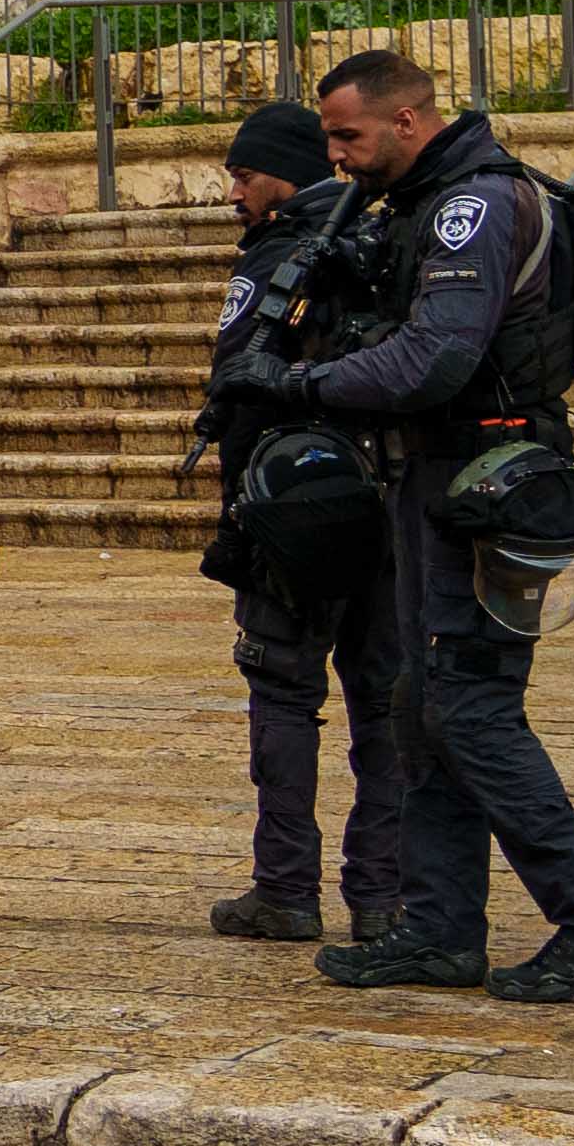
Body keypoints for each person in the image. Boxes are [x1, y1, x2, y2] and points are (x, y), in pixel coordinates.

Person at [217, 52, 574, 1004]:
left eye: (348, 136)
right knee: (425, 707)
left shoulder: (475, 204)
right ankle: (442, 927)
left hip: (488, 480)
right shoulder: (417, 202)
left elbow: (435, 357)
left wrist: (303, 382)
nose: (334, 157)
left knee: (472, 708)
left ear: (409, 121)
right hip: (436, 476)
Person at [197, 103, 403, 948]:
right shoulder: (390, 242)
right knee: (384, 708)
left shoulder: (284, 258)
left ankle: (286, 888)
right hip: (381, 503)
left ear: (287, 172)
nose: (235, 191)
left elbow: (236, 383)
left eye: (245, 175)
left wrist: (239, 513)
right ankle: (383, 897)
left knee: (283, 694)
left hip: (289, 509)